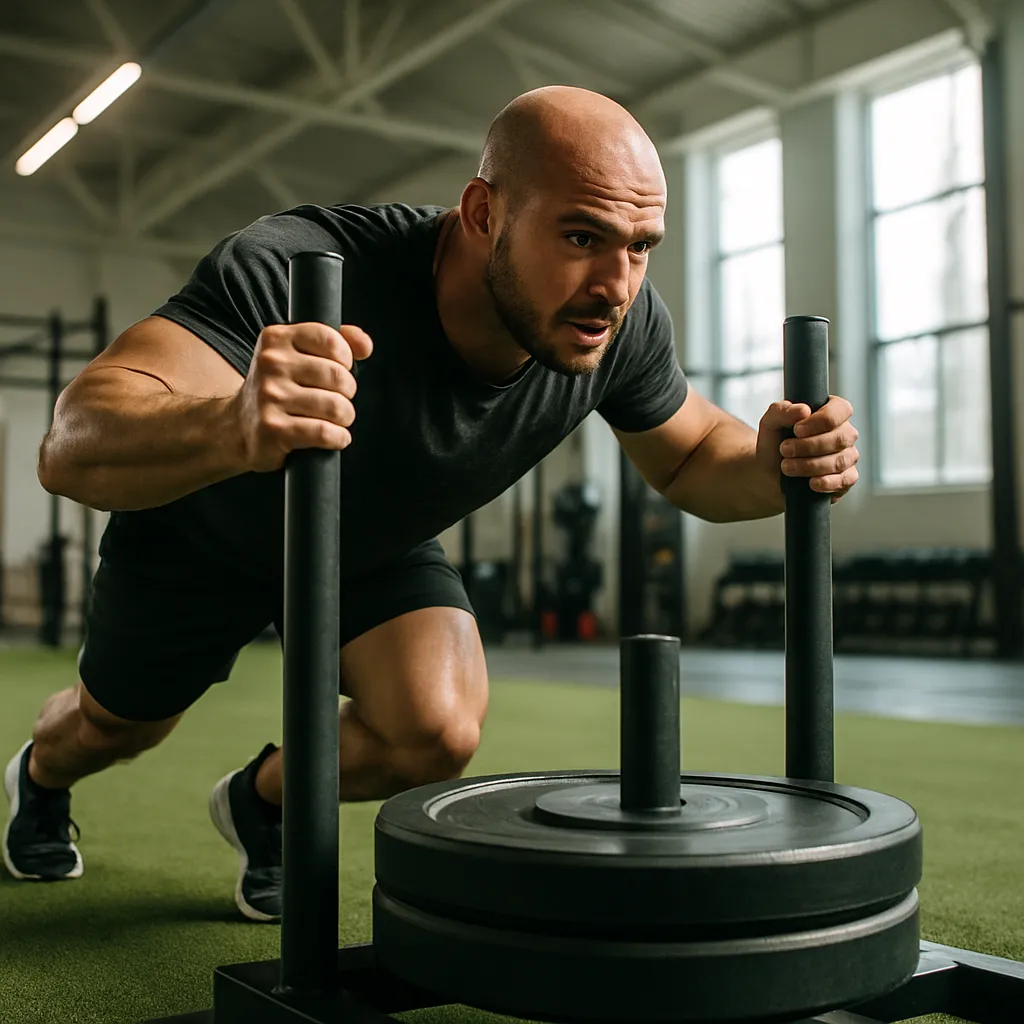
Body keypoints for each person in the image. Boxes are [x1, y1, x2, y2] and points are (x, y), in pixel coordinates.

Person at [2, 86, 859, 922]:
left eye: (641, 245)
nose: (616, 282)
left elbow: (696, 456)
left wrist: (780, 459)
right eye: (580, 235)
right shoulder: (300, 265)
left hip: (367, 544)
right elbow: (72, 443)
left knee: (435, 730)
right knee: (114, 730)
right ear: (483, 212)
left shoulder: (614, 328)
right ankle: (39, 779)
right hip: (201, 535)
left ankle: (262, 801)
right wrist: (232, 423)